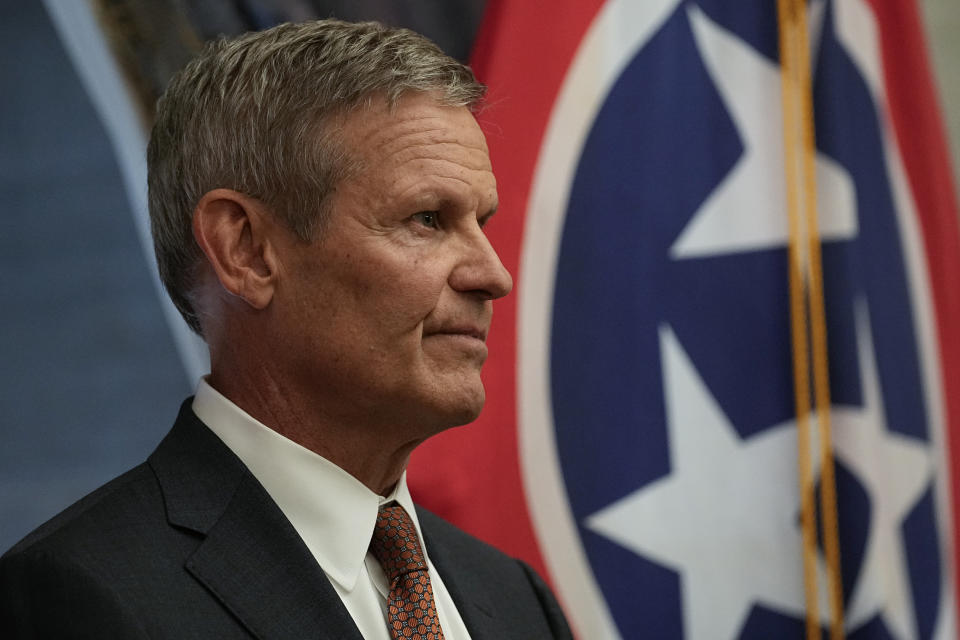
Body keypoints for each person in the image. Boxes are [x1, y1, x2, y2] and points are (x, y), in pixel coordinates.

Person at [0, 19, 572, 639]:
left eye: (482, 223)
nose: (494, 274)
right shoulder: (78, 597)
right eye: (427, 219)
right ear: (245, 250)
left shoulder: (518, 601)